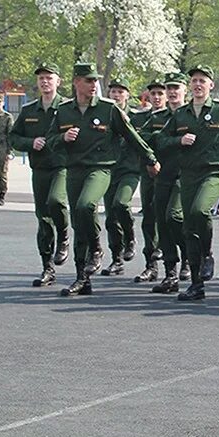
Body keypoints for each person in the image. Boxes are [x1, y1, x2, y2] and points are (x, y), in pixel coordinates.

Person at [48, 63, 159, 297]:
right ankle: (82, 278)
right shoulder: (64, 110)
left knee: (85, 205)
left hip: (100, 169)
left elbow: (131, 136)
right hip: (74, 169)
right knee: (79, 221)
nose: (93, 85)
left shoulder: (108, 109)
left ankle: (97, 247)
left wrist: (150, 158)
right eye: (88, 80)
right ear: (76, 82)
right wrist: (62, 137)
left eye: (95, 80)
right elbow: (50, 140)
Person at [156, 66, 219, 301]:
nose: (198, 84)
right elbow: (161, 140)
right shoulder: (181, 114)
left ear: (211, 85)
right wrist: (179, 140)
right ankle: (197, 284)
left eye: (202, 81)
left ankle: (207, 255)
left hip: (215, 172)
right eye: (194, 80)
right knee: (189, 228)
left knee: (200, 210)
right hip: (188, 174)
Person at [8, 65, 70, 285]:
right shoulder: (29, 110)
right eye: (41, 79)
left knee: (56, 201)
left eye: (49, 78)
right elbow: (13, 138)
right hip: (40, 167)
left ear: (58, 81)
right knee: (43, 218)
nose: (45, 82)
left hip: (61, 166)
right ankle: (47, 268)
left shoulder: (67, 107)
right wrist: (30, 143)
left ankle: (64, 235)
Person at [145, 73, 188, 293]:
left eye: (176, 88)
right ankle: (171, 272)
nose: (172, 92)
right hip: (162, 175)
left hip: (185, 175)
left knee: (174, 216)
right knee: (161, 220)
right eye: (169, 88)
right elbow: (144, 139)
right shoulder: (157, 117)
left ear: (184, 90)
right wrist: (149, 160)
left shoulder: (191, 115)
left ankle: (188, 253)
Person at [99, 79, 141, 276]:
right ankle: (116, 259)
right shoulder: (103, 115)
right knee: (110, 217)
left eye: (120, 92)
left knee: (121, 203)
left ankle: (130, 236)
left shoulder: (138, 117)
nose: (116, 95)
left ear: (127, 95)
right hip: (109, 169)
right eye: (113, 91)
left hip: (130, 169)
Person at [132, 79, 166, 283]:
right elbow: (137, 140)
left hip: (171, 171)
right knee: (149, 217)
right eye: (153, 93)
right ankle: (150, 265)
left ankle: (183, 262)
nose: (157, 97)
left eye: (160, 93)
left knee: (172, 217)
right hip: (148, 171)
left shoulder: (175, 116)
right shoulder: (141, 118)